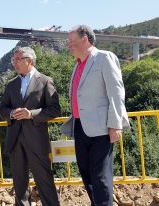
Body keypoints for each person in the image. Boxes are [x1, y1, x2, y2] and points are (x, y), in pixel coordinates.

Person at [61, 25, 130, 206]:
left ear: (85, 40)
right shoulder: (78, 65)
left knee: (100, 178)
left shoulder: (104, 58)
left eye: (72, 42)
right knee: (87, 177)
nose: (69, 46)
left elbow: (116, 92)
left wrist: (115, 124)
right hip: (80, 127)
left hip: (102, 128)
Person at [0, 46, 61, 206]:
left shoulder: (45, 81)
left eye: (18, 60)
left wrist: (31, 114)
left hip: (37, 141)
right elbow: (2, 109)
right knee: (20, 187)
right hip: (15, 141)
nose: (14, 63)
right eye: (13, 60)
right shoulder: (11, 84)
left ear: (30, 61)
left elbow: (55, 109)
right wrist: (11, 113)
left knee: (45, 183)